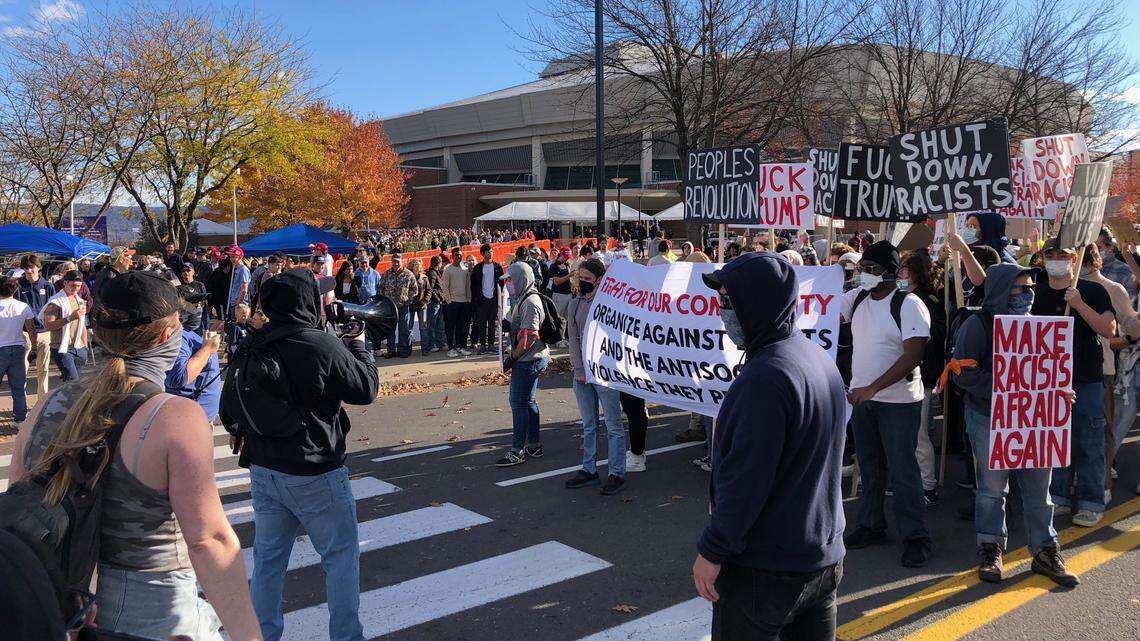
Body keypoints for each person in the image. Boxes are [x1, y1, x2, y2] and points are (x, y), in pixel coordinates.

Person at [7, 270, 262, 641]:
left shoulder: (49, 402)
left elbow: (22, 495)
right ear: (166, 335)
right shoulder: (175, 416)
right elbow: (209, 541)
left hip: (66, 601)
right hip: (153, 605)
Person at [692, 252, 846, 640]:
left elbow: (745, 481)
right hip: (821, 557)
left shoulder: (765, 378)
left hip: (767, 569)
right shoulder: (816, 356)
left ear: (755, 304)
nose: (722, 311)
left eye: (728, 300)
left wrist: (713, 551)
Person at [220, 268, 378, 641]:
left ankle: (263, 635)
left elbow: (231, 405)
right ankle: (346, 636)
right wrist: (360, 345)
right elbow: (366, 388)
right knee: (339, 559)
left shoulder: (255, 342)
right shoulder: (320, 343)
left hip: (264, 469)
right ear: (306, 301)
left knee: (268, 564)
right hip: (315, 470)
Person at [949, 263, 1080, 586]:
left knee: (1039, 491)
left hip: (1034, 419)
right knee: (992, 490)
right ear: (1001, 290)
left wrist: (1060, 392)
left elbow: (1050, 374)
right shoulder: (978, 325)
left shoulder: (1039, 329)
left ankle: (1045, 550)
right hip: (988, 418)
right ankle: (990, 546)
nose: (1028, 294)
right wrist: (1007, 388)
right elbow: (962, 373)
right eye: (1021, 288)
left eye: (1032, 288)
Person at [841, 241, 933, 568]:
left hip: (898, 402)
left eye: (871, 269)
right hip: (863, 400)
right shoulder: (858, 298)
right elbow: (820, 313)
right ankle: (870, 524)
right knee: (869, 465)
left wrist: (872, 388)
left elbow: (913, 355)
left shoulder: (908, 305)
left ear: (891, 273)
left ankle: (916, 537)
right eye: (861, 268)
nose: (863, 274)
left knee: (903, 469)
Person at [1034, 241, 1115, 526]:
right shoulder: (1036, 292)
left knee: (1089, 440)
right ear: (1042, 259)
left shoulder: (1092, 291)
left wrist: (1079, 304)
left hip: (1085, 379)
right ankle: (1058, 496)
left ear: (1075, 258)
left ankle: (1091, 500)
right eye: (1050, 255)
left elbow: (1108, 329)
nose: (1056, 260)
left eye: (1063, 255)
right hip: (1048, 381)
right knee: (1054, 440)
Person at [563, 258, 628, 493]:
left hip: (606, 374)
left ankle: (616, 473)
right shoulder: (575, 304)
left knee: (613, 425)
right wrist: (579, 369)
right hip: (583, 375)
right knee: (589, 424)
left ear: (599, 280)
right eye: (580, 278)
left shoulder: (610, 304)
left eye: (587, 279)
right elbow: (573, 339)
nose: (582, 283)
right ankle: (588, 469)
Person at [897, 251, 946, 506]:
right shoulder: (899, 298)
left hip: (921, 374)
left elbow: (934, 338)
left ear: (916, 271)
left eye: (904, 268)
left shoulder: (929, 300)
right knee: (904, 433)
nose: (900, 273)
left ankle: (927, 485)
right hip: (900, 374)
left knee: (919, 434)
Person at [495, 261, 549, 467]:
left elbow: (529, 338)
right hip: (531, 358)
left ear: (521, 278)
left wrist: (513, 358)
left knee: (518, 403)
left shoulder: (530, 303)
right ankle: (533, 444)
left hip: (529, 360)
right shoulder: (524, 297)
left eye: (511, 280)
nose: (508, 283)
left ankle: (517, 450)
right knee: (529, 402)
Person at [166, 290, 223, 423]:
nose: (199, 307)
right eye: (194, 303)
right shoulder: (179, 336)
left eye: (200, 303)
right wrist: (207, 349)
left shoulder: (189, 333)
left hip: (199, 418)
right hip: (188, 421)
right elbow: (177, 378)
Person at [39, 271, 90, 383]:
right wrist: (70, 318)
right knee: (72, 384)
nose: (76, 289)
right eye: (73, 285)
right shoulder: (55, 302)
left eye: (79, 286)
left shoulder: (80, 301)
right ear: (65, 283)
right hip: (62, 348)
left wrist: (85, 347)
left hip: (79, 348)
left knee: (78, 384)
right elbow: (48, 326)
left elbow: (82, 326)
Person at [0, 276, 36, 424]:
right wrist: (34, 348)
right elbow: (31, 330)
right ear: (15, 290)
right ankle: (20, 420)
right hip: (18, 349)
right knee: (19, 388)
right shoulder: (23, 306)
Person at [16, 254, 53, 398]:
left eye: (31, 267)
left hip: (43, 332)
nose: (29, 271)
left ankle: (41, 400)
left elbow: (53, 307)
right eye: (25, 268)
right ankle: (21, 401)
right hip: (24, 332)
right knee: (23, 367)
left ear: (38, 267)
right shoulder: (18, 286)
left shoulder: (47, 286)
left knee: (43, 368)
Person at [380, 253, 419, 358]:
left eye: (398, 261)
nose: (396, 264)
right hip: (390, 308)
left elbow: (414, 290)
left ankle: (403, 351)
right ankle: (391, 351)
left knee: (404, 330)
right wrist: (384, 302)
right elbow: (380, 288)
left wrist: (408, 300)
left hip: (403, 307)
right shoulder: (386, 274)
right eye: (394, 261)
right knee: (390, 330)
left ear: (402, 262)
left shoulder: (409, 274)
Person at [470, 243, 503, 355]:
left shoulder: (497, 267)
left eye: (492, 251)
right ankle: (483, 345)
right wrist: (477, 297)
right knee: (482, 323)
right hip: (481, 300)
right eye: (488, 251)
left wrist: (498, 296)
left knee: (492, 323)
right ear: (483, 254)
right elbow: (473, 285)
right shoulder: (478, 268)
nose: (491, 253)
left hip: (493, 300)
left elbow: (501, 283)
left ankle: (491, 345)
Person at [442, 247, 473, 357]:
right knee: (451, 327)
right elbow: (444, 287)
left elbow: (468, 286)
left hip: (464, 302)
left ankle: (461, 347)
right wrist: (449, 301)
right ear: (452, 257)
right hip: (453, 303)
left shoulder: (465, 270)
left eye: (460, 255)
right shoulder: (448, 270)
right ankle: (451, 348)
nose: (458, 257)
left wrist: (469, 300)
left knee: (463, 326)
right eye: (456, 255)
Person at [549, 247, 573, 347]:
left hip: (568, 293)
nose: (567, 258)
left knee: (567, 318)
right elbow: (556, 281)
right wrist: (569, 275)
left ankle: (564, 337)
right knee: (559, 318)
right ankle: (558, 339)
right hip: (559, 294)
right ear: (562, 255)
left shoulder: (567, 264)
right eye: (566, 256)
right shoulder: (554, 266)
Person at [423, 256, 447, 354]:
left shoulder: (434, 272)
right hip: (434, 302)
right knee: (433, 325)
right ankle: (433, 344)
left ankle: (438, 343)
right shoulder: (433, 273)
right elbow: (431, 288)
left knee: (437, 324)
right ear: (439, 263)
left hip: (437, 301)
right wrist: (438, 298)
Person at [179, 262, 209, 335]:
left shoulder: (199, 285)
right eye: (183, 271)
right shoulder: (179, 286)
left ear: (193, 272)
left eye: (188, 270)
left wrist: (206, 324)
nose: (185, 273)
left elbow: (205, 304)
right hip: (185, 321)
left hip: (198, 319)